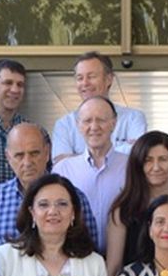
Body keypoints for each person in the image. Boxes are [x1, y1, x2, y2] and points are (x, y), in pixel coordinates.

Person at [0, 122, 98, 266]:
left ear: (47, 153)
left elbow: (88, 250)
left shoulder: (73, 198)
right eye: (19, 155)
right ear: (8, 158)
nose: (27, 162)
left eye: (34, 153)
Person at [54, 95, 130, 251]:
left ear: (113, 124)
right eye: (87, 121)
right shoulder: (63, 170)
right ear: (79, 125)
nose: (94, 127)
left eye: (101, 120)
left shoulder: (131, 166)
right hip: (76, 258)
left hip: (123, 258)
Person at [104, 131, 168, 276]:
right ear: (138, 164)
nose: (156, 167)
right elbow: (114, 266)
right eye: (148, 160)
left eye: (163, 159)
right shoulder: (123, 208)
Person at [51, 52, 148, 161]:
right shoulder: (64, 124)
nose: (85, 83)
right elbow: (62, 164)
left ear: (109, 79)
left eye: (91, 76)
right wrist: (121, 150)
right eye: (80, 78)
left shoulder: (133, 118)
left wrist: (78, 158)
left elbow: (137, 156)